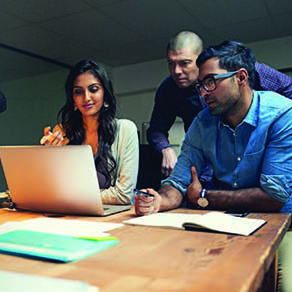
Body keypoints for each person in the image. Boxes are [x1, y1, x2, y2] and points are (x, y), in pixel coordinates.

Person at [135, 40, 292, 217]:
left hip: (280, 224)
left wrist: (204, 195)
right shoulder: (202, 122)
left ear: (240, 77)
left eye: (210, 82)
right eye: (200, 85)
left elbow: (274, 197)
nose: (203, 93)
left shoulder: (282, 113)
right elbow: (178, 181)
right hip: (228, 221)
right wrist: (159, 200)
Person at [147, 31, 292, 178]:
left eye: (184, 63)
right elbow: (156, 130)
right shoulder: (168, 90)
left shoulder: (237, 70)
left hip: (250, 160)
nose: (176, 71)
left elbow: (288, 90)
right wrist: (165, 148)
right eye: (171, 64)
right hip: (206, 165)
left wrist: (277, 137)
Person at [40, 59, 139, 205]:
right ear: (73, 99)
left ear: (105, 93)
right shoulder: (62, 132)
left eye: (93, 89)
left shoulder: (126, 129)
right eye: (78, 92)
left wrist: (72, 196)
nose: (86, 98)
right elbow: (54, 190)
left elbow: (123, 195)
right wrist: (49, 157)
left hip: (111, 217)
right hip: (72, 215)